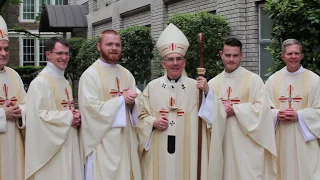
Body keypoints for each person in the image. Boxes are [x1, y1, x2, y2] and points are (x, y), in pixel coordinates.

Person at [197, 38, 277, 179]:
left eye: (235, 55)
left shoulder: (254, 80)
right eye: (228, 55)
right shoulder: (213, 83)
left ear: (242, 55)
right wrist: (211, 99)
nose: (231, 59)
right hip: (222, 145)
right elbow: (206, 117)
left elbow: (263, 110)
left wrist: (236, 109)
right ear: (221, 54)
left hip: (247, 148)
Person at [137, 23, 209, 180]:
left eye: (178, 59)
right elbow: (139, 116)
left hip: (188, 153)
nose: (175, 63)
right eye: (170, 59)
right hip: (158, 150)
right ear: (163, 63)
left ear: (184, 63)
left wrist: (207, 93)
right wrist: (152, 122)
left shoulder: (196, 87)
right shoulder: (151, 87)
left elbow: (212, 117)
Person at [78, 30, 141, 180]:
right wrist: (121, 101)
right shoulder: (90, 75)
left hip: (125, 143)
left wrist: (133, 103)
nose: (114, 48)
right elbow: (90, 109)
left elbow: (139, 106)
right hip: (102, 144)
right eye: (109, 44)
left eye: (117, 45)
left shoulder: (127, 74)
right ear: (99, 46)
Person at [25, 37, 83, 180]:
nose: (64, 57)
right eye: (59, 53)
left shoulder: (64, 81)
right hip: (50, 152)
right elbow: (38, 118)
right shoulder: (40, 83)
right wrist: (69, 117)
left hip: (69, 143)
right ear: (48, 55)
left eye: (66, 54)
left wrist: (76, 116)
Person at [265, 39, 320, 180]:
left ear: (302, 55)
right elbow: (263, 110)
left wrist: (300, 116)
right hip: (280, 138)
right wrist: (276, 114)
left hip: (305, 142)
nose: (293, 57)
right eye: (290, 54)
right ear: (283, 56)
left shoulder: (315, 80)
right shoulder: (272, 80)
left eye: (297, 53)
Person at [0, 15, 26, 180]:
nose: (3, 53)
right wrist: (3, 114)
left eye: (6, 48)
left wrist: (20, 111)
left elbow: (26, 104)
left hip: (15, 148)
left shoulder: (14, 75)